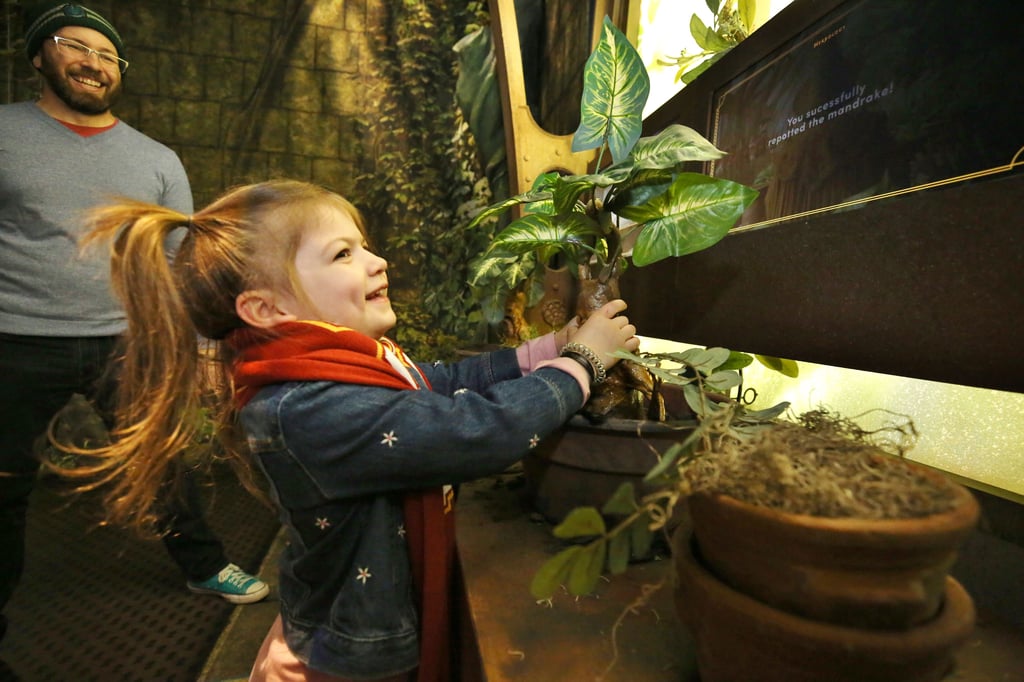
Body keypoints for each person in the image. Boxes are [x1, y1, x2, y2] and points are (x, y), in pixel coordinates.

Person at [75, 178, 641, 681]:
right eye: (344, 253)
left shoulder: (344, 363)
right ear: (266, 309)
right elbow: (473, 430)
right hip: (350, 656)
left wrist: (548, 348)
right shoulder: (305, 406)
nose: (377, 261)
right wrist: (583, 364)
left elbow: (440, 382)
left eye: (364, 245)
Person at [0, 0, 269, 642]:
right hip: (15, 338)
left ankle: (204, 567)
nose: (93, 63)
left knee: (163, 459)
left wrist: (203, 345)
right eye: (75, 46)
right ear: (40, 55)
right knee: (6, 481)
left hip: (129, 339)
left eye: (107, 55)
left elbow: (181, 263)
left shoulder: (157, 159)